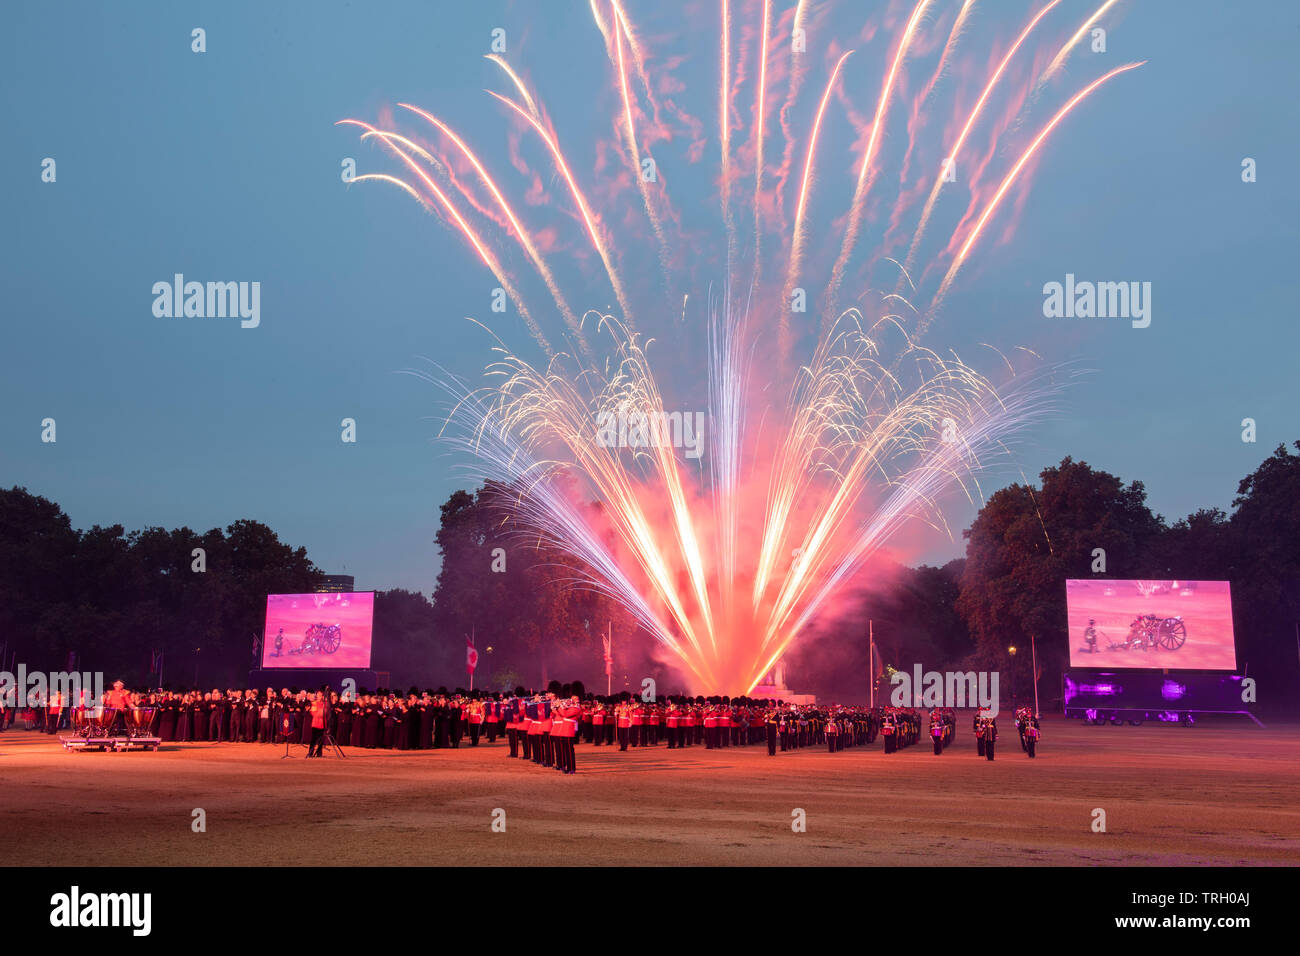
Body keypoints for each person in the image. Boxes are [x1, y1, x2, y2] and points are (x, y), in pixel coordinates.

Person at [307, 690, 328, 757]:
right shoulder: (314, 703)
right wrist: (321, 712)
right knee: (313, 740)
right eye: (318, 695)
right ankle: (310, 753)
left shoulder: (325, 703)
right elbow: (313, 713)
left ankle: (319, 753)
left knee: (321, 740)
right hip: (315, 724)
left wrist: (320, 712)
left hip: (322, 724)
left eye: (320, 695)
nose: (319, 696)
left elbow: (325, 713)